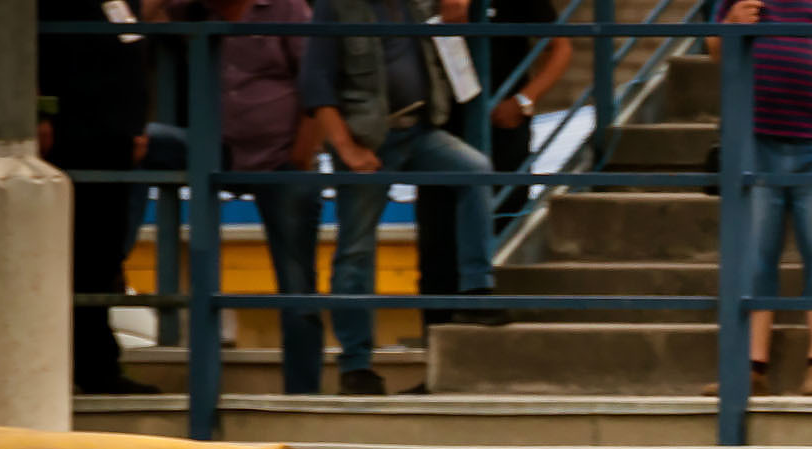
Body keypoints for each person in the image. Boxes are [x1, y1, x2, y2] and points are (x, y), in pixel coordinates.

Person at [299, 0, 507, 397]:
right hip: (366, 138)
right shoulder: (336, 6)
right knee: (356, 249)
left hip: (419, 130)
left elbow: (449, 33)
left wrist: (455, 17)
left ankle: (476, 291)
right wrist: (346, 148)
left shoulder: (414, 3)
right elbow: (315, 84)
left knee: (475, 170)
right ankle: (356, 365)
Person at [707, 0, 812, 397]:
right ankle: (750, 368)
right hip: (753, 142)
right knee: (750, 255)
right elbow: (717, 53)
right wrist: (731, 24)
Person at [164, 0, 327, 395]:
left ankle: (301, 396)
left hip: (282, 159)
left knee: (297, 286)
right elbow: (150, 15)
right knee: (138, 145)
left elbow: (317, 85)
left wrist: (301, 155)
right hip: (214, 151)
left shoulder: (287, 9)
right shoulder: (197, 9)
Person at [413, 0, 572, 384]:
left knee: (499, 236)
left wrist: (525, 100)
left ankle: (495, 364)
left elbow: (562, 47)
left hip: (502, 130)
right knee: (436, 251)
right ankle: (438, 373)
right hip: (440, 131)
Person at [38, 0, 158, 393]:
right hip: (68, 137)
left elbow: (134, 55)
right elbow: (22, 48)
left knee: (103, 254)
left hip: (115, 140)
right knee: (76, 255)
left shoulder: (120, 3)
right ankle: (81, 367)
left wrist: (137, 125)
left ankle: (98, 367)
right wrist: (37, 112)